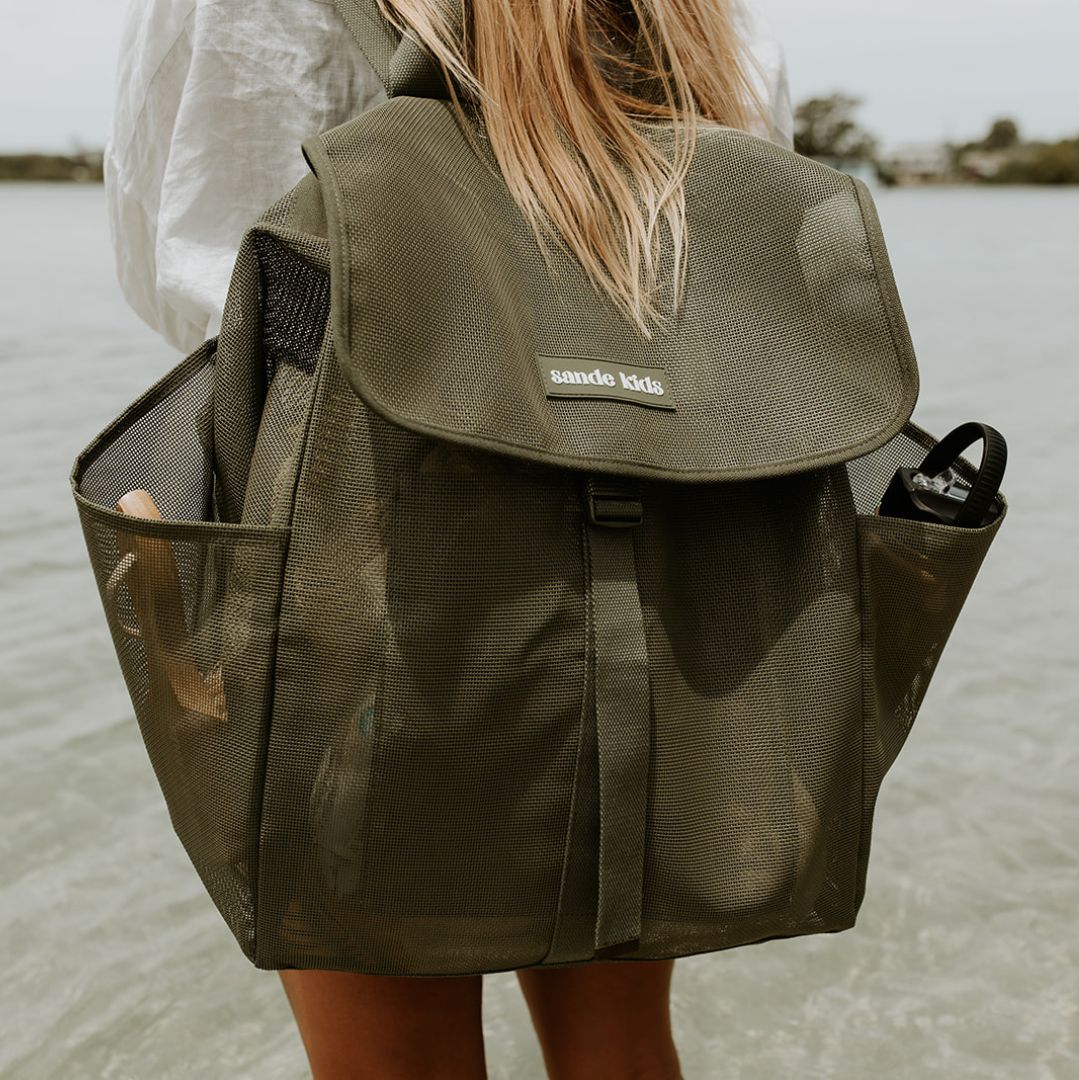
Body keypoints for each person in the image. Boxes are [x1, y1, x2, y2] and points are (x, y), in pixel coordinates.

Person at [105, 1, 794, 1076]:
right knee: (617, 1042)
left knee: (398, 1064)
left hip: (355, 558)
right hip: (647, 564)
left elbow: (205, 270)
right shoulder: (698, 17)